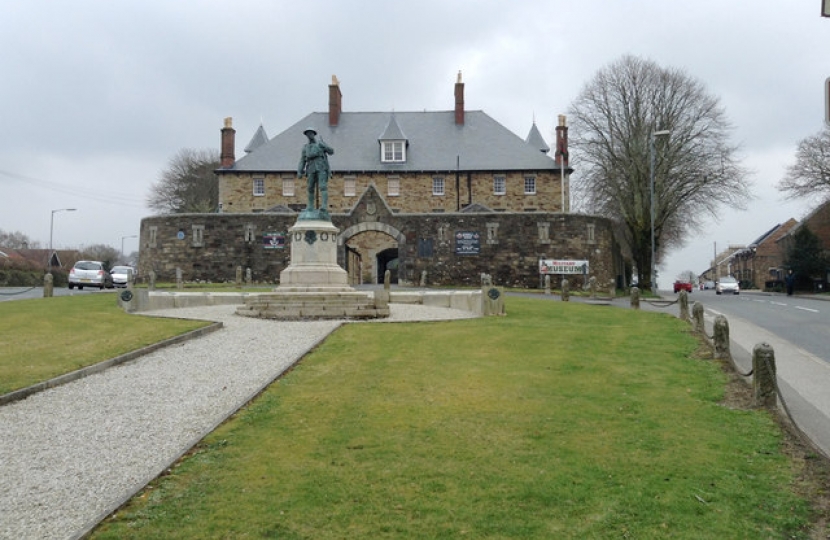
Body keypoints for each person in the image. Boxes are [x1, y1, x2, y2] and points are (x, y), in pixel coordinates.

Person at [297, 127, 334, 214]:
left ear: (314, 134)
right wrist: (300, 170)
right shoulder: (305, 148)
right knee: (310, 188)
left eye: (311, 133)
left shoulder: (320, 144)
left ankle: (324, 206)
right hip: (310, 168)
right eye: (307, 134)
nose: (309, 135)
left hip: (321, 167)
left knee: (323, 187)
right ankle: (310, 206)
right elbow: (302, 160)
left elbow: (331, 151)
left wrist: (325, 146)